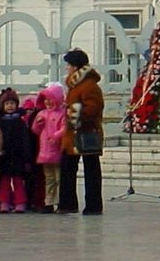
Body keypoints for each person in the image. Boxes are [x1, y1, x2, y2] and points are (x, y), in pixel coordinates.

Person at [57, 48, 104, 216]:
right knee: (68, 168)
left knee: (91, 170)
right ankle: (67, 203)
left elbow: (94, 108)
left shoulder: (89, 85)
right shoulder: (75, 85)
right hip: (72, 135)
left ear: (76, 67)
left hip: (86, 132)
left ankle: (93, 205)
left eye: (68, 65)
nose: (66, 68)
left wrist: (74, 113)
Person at [0, 87, 33, 213]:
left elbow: (25, 140)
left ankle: (20, 202)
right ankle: (4, 202)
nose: (10, 106)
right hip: (4, 156)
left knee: (18, 181)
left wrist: (27, 157)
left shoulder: (20, 122)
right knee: (4, 182)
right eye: (7, 104)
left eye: (12, 103)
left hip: (18, 156)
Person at [32, 82, 66, 214]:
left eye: (50, 99)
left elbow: (65, 128)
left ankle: (60, 201)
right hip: (45, 151)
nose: (48, 102)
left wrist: (56, 136)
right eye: (45, 99)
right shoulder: (42, 113)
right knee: (49, 179)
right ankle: (49, 202)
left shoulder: (62, 113)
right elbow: (35, 130)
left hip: (57, 149)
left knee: (59, 178)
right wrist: (37, 123)